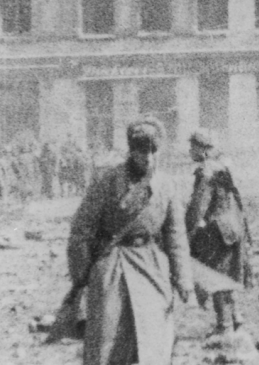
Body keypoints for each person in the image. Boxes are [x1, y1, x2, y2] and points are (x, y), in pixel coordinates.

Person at [68, 118, 192, 365]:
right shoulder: (107, 181)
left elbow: (176, 235)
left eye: (153, 152)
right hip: (111, 265)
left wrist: (183, 279)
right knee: (107, 337)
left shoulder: (166, 185)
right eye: (141, 151)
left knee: (154, 335)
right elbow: (81, 230)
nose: (147, 158)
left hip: (151, 264)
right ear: (131, 150)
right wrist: (82, 275)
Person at [185, 129, 253, 336]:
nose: (190, 151)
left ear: (203, 149)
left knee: (217, 276)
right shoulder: (223, 167)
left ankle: (224, 327)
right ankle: (236, 318)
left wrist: (188, 232)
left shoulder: (206, 172)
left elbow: (199, 207)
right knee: (229, 274)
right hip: (233, 227)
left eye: (193, 147)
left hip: (219, 231)